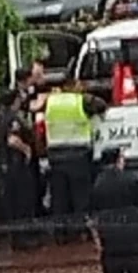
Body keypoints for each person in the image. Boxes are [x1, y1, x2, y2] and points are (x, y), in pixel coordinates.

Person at [44, 80, 107, 243]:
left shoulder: (51, 101)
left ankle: (60, 234)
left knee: (59, 198)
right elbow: (101, 105)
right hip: (78, 155)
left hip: (56, 157)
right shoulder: (81, 100)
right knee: (81, 197)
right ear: (72, 86)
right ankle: (81, 232)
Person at [0, 89, 38, 249]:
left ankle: (15, 238)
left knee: (11, 202)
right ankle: (23, 238)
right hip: (15, 163)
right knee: (23, 201)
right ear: (14, 101)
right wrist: (26, 149)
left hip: (2, 164)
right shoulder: (13, 119)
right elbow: (12, 140)